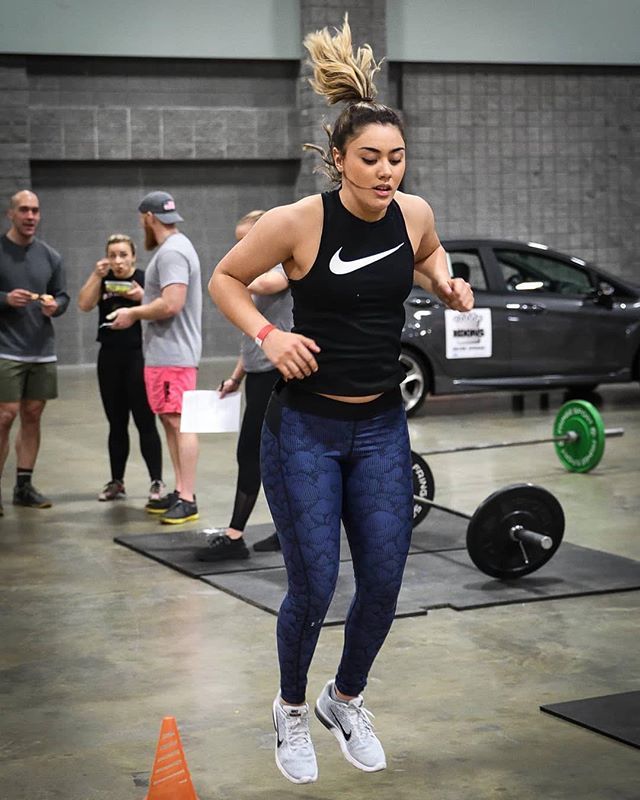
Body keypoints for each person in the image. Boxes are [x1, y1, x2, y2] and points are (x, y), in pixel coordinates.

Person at [208, 17, 474, 785]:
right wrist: (267, 333)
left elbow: (425, 254)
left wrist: (446, 281)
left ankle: (342, 698)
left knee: (386, 581)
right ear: (338, 160)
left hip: (382, 425)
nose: (386, 171)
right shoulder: (299, 223)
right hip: (305, 429)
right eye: (370, 158)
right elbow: (227, 279)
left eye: (396, 157)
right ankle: (290, 709)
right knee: (316, 583)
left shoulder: (413, 213)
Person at [195, 210, 292, 562]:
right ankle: (289, 533)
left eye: (247, 242)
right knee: (272, 458)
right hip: (258, 374)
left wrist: (229, 275)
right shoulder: (256, 272)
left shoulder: (283, 268)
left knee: (252, 452)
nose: (241, 249)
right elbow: (252, 334)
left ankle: (235, 535)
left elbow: (264, 284)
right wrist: (237, 377)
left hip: (279, 376)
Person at [108, 191, 202, 525]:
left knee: (179, 422)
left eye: (141, 220)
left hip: (172, 355)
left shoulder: (172, 252)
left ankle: (188, 497)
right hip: (166, 354)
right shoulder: (174, 249)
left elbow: (172, 303)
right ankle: (180, 490)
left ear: (148, 217)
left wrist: (133, 313)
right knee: (170, 421)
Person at [78, 233, 164, 503]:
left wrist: (143, 297)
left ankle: (156, 482)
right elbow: (84, 304)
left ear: (133, 256)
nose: (118, 260)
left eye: (123, 254)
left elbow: (162, 309)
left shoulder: (143, 278)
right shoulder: (102, 278)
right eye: (113, 255)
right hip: (109, 356)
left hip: (137, 356)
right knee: (116, 423)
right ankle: (117, 481)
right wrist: (95, 275)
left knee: (144, 421)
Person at [0, 189, 70, 514]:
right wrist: (4, 299)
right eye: (24, 210)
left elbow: (63, 296)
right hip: (6, 349)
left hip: (41, 350)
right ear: (10, 214)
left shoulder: (51, 256)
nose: (30, 216)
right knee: (5, 415)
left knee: (32, 414)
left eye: (35, 211)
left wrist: (55, 307)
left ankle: (23, 486)